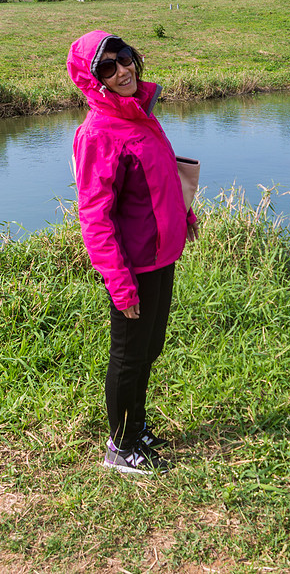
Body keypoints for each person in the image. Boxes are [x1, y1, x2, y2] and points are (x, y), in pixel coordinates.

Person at [67, 30, 198, 475]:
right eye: (108, 67)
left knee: (150, 347)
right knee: (127, 355)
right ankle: (120, 447)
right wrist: (119, 282)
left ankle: (135, 426)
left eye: (125, 59)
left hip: (162, 254)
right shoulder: (98, 132)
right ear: (93, 79)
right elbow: (95, 216)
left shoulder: (140, 114)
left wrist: (185, 218)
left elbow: (160, 177)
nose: (123, 70)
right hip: (132, 263)